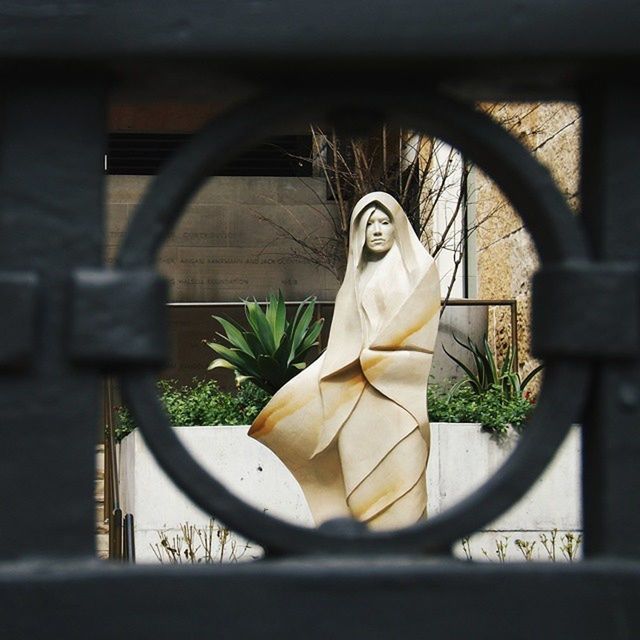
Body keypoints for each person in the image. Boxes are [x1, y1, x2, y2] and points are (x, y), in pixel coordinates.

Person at [249, 192, 440, 529]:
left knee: (403, 482)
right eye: (369, 225)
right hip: (356, 400)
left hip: (398, 400)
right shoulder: (355, 281)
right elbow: (341, 345)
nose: (378, 230)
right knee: (359, 483)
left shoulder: (419, 272)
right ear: (358, 233)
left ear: (398, 226)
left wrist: (375, 358)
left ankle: (407, 557)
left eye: (384, 222)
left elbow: (417, 337)